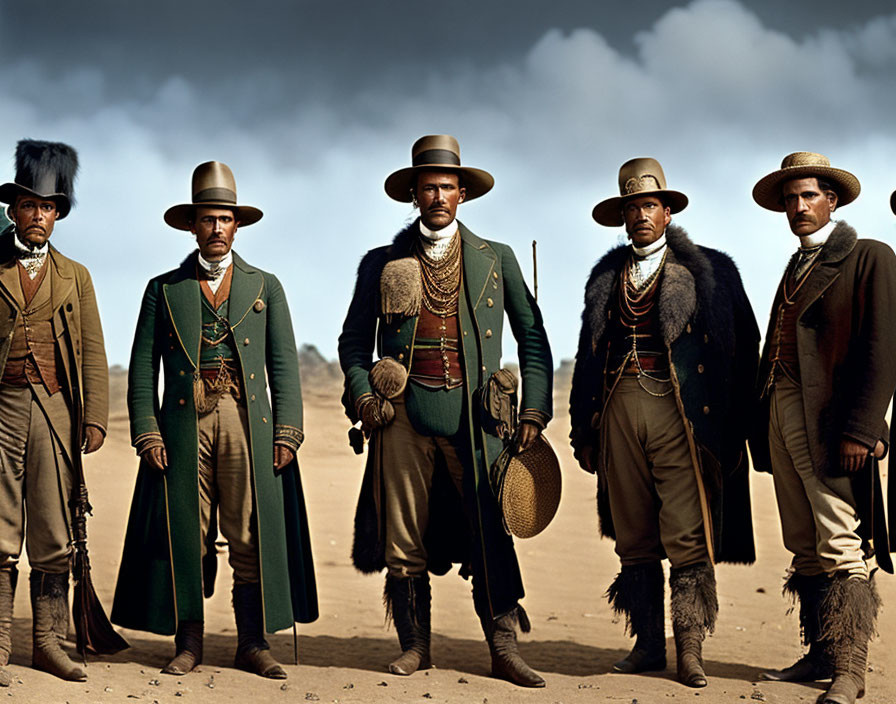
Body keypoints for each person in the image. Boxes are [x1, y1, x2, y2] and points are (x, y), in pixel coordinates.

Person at [339, 135, 552, 687]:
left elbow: (532, 336)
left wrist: (532, 410)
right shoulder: (383, 262)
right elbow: (353, 341)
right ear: (414, 194)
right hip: (403, 418)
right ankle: (415, 647)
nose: (438, 195)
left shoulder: (495, 259)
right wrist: (364, 395)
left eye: (447, 186)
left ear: (463, 194)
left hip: (474, 418)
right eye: (428, 186)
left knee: (490, 526)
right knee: (403, 534)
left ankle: (503, 648)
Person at [112, 161, 317, 679]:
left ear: (237, 225)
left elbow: (283, 366)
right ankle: (190, 643)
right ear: (192, 225)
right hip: (184, 425)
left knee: (249, 530)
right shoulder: (163, 289)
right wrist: (147, 430)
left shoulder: (265, 286)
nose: (217, 229)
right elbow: (142, 370)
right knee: (188, 527)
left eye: (225, 218)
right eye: (207, 219)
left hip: (249, 423)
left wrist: (288, 431)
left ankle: (252, 642)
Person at [569, 157, 759, 688]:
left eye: (648, 204)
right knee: (632, 532)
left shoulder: (714, 270)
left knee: (687, 530)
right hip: (618, 413)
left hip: (682, 415)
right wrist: (582, 427)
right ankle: (649, 643)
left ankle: (690, 649)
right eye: (630, 207)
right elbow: (587, 356)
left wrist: (739, 426)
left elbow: (744, 349)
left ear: (668, 210)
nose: (640, 216)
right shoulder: (606, 276)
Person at [751, 152, 896, 704]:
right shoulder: (796, 266)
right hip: (782, 409)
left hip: (833, 421)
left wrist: (862, 427)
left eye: (808, 195)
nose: (798, 207)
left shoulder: (868, 257)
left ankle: (850, 671)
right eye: (789, 199)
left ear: (831, 200)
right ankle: (820, 652)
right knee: (803, 542)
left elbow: (883, 349)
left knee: (840, 541)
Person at [0, 140, 109, 682]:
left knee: (52, 528)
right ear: (12, 210)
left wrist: (93, 419)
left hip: (55, 411)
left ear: (57, 213)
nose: (37, 215)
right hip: (1, 408)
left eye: (47, 207)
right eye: (27, 205)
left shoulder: (76, 276)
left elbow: (92, 350)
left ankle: (48, 644)